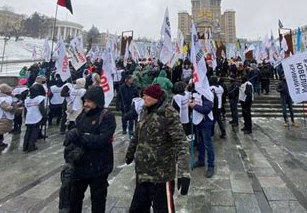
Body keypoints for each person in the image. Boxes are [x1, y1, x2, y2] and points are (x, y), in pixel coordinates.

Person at [126, 84, 190, 212]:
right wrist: (130, 152)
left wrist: (184, 172)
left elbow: (181, 142)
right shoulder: (145, 109)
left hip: (162, 175)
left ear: (156, 98)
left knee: (162, 210)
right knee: (137, 209)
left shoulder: (168, 113)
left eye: (146, 95)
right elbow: (138, 134)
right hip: (143, 173)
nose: (143, 97)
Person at [64, 86, 116, 213]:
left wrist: (81, 136)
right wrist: (71, 136)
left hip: (99, 166)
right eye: (84, 101)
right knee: (74, 198)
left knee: (98, 200)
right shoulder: (82, 114)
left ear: (97, 101)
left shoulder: (106, 116)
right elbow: (76, 131)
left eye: (89, 101)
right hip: (80, 164)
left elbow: (101, 140)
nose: (85, 104)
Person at [190, 86, 215, 178]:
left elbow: (207, 109)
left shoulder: (207, 93)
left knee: (208, 144)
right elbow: (191, 100)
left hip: (206, 122)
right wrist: (191, 102)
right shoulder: (194, 91)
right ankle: (201, 160)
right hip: (197, 121)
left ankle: (211, 165)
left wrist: (194, 106)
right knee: (199, 142)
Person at [0, 84, 20, 149]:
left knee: (1, 130)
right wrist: (15, 108)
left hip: (6, 116)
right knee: (0, 130)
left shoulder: (8, 97)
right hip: (2, 116)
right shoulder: (0, 99)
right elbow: (6, 107)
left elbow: (15, 101)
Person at [23, 84, 47, 152]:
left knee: (28, 132)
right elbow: (41, 108)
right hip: (37, 117)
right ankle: (31, 146)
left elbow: (26, 110)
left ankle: (25, 146)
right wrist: (45, 116)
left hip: (29, 117)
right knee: (34, 132)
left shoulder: (27, 99)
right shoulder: (40, 98)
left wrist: (25, 118)